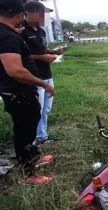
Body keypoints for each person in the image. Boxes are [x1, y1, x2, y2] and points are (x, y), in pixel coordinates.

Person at [0, 0, 55, 184]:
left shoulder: (8, 34)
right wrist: (43, 84)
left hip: (20, 94)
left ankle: (32, 159)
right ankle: (29, 175)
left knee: (29, 130)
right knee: (24, 132)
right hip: (19, 94)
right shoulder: (7, 37)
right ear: (18, 15)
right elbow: (15, 71)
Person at [21, 1, 63, 145]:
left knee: (46, 109)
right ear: (30, 12)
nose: (44, 17)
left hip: (47, 74)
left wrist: (52, 51)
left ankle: (42, 136)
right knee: (35, 110)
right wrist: (41, 57)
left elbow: (42, 48)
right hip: (33, 76)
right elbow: (20, 56)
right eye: (42, 13)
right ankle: (30, 141)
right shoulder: (21, 31)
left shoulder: (41, 31)